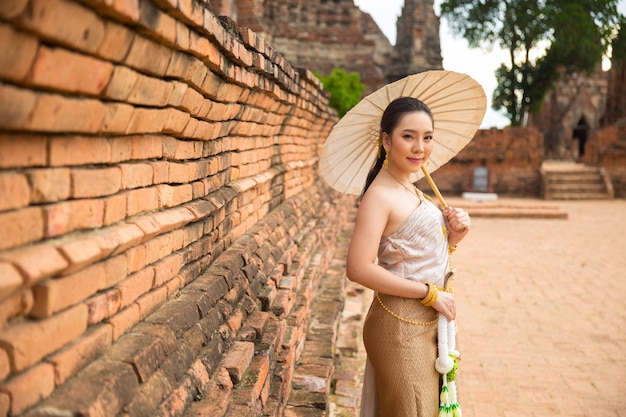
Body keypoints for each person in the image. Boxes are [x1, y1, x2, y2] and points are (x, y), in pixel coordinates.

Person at [345, 97, 471, 416]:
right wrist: (429, 294)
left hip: (428, 319)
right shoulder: (379, 196)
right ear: (386, 140)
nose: (420, 147)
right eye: (408, 136)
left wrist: (452, 239)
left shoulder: (414, 189)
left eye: (427, 137)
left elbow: (416, 256)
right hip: (399, 325)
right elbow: (358, 269)